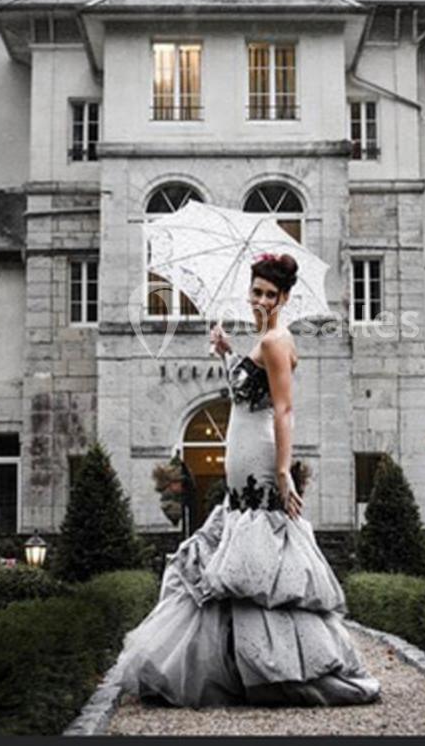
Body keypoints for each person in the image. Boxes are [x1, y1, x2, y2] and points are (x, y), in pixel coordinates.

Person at [116, 252, 381, 707]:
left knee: (260, 563)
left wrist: (282, 471)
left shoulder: (278, 340)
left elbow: (283, 409)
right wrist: (227, 355)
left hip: (260, 458)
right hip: (239, 458)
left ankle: (276, 667)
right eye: (256, 291)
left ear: (285, 297)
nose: (260, 300)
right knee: (235, 556)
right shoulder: (262, 339)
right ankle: (238, 666)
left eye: (270, 294)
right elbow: (246, 397)